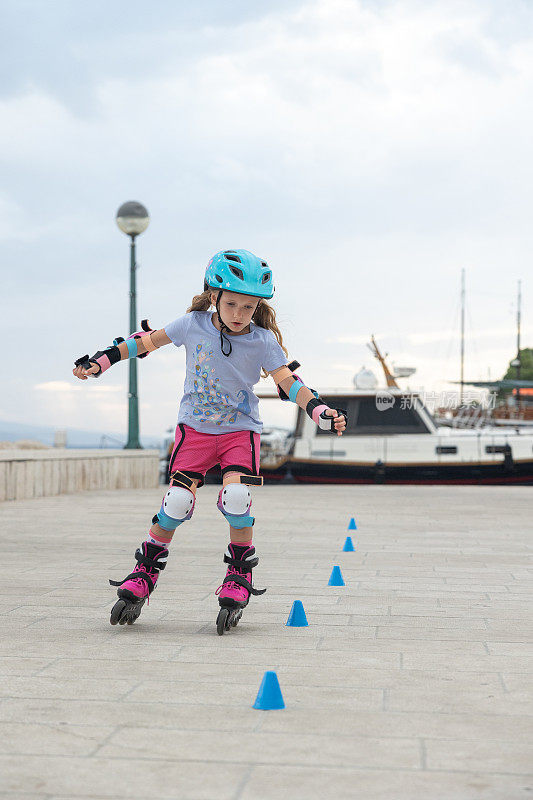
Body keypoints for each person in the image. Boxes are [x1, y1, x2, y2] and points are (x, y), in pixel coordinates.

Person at [73, 249, 346, 633]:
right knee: (177, 501)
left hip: (240, 432)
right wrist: (101, 361)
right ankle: (144, 572)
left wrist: (319, 410)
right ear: (213, 296)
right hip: (195, 430)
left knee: (236, 499)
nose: (238, 313)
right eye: (231, 303)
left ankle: (239, 575)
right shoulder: (192, 324)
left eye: (248, 307)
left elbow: (289, 383)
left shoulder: (263, 342)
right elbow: (146, 342)